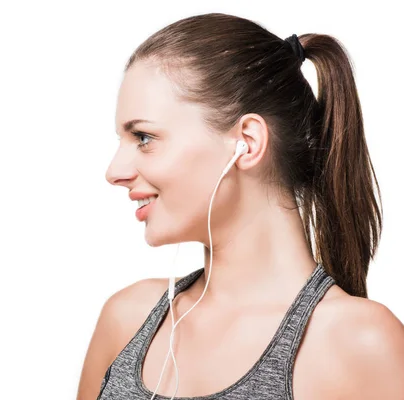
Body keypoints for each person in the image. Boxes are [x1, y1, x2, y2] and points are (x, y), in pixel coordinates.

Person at [76, 12, 404, 400]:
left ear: (246, 142)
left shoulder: (359, 343)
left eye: (144, 137)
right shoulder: (126, 319)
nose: (115, 172)